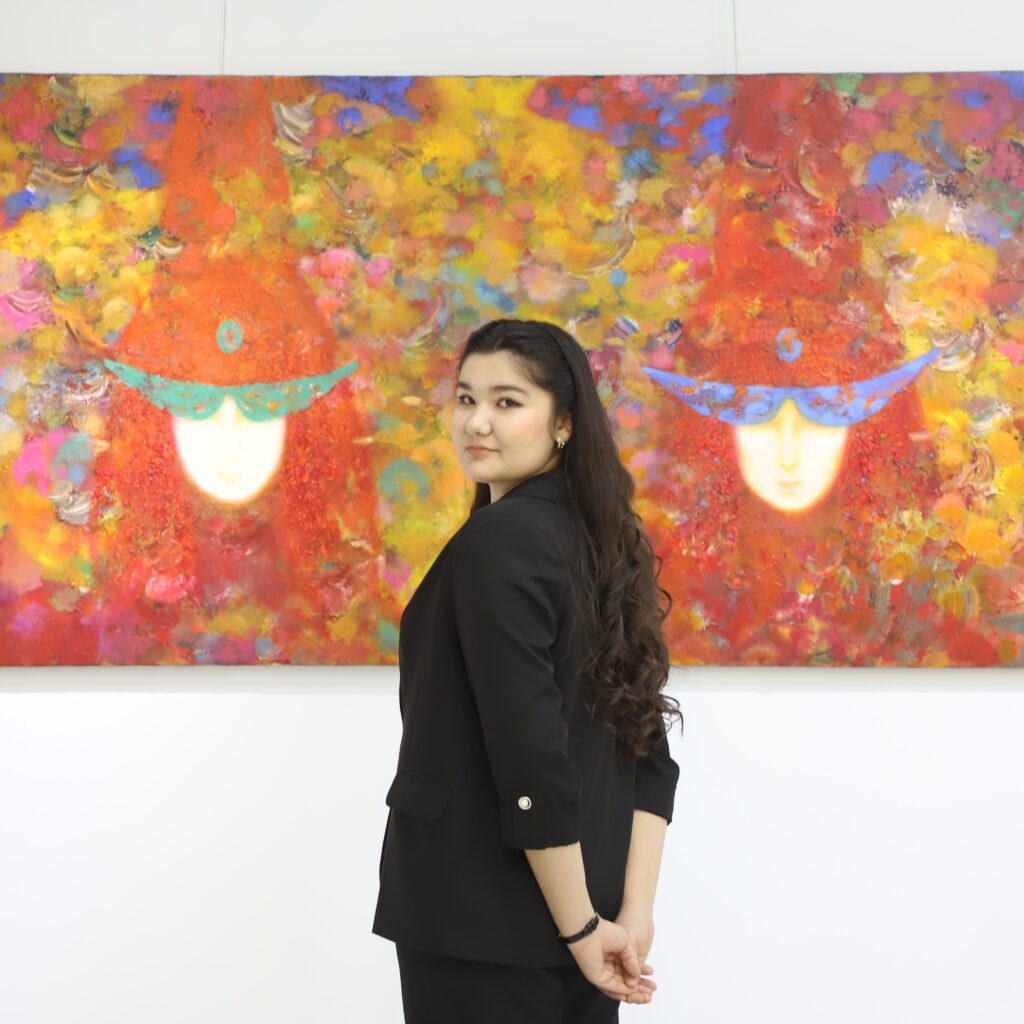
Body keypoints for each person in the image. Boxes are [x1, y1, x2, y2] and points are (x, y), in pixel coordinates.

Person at [372, 318, 682, 1022]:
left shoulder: (502, 541)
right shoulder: (604, 539)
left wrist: (582, 930)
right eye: (465, 398)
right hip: (590, 913)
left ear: (564, 422)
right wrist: (628, 915)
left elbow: (531, 759)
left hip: (486, 916)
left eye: (507, 402)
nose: (476, 422)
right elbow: (649, 752)